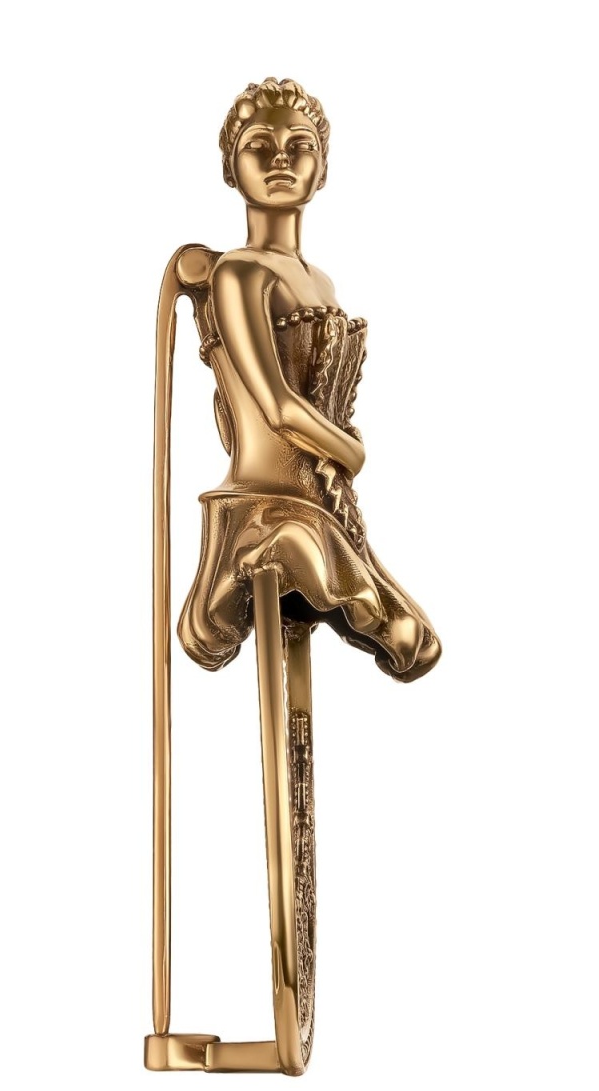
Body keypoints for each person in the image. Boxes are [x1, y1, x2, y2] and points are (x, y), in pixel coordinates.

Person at [178, 78, 441, 683]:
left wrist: (340, 467)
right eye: (258, 145)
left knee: (416, 644)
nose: (280, 159)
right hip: (266, 504)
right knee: (308, 559)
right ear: (231, 168)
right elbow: (276, 406)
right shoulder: (239, 274)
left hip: (328, 502)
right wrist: (350, 450)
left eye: (299, 145)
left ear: (322, 169)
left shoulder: (320, 282)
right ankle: (250, 562)